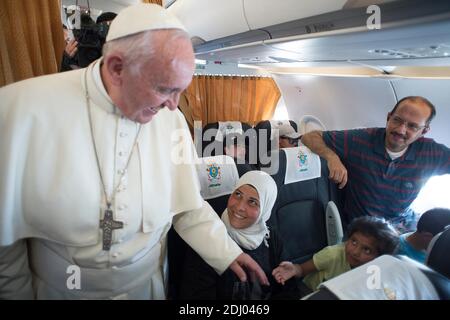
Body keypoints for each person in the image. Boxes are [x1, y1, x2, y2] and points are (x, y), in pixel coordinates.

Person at [0, 4, 269, 300]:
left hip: (147, 290)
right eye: (164, 89)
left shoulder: (171, 120)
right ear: (117, 68)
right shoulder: (21, 111)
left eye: (180, 90)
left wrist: (226, 252)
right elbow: (5, 245)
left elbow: (188, 204)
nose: (172, 104)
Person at [301, 96, 450, 232]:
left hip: (402, 227)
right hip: (362, 230)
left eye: (412, 126)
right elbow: (310, 137)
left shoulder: (430, 153)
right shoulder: (361, 140)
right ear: (388, 117)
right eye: (397, 120)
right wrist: (331, 157)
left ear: (424, 131)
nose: (401, 130)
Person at [179, 171, 300, 300]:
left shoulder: (270, 238)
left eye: (253, 202)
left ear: (265, 210)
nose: (239, 207)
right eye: (237, 194)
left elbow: (289, 290)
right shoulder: (208, 240)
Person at [272, 216, 399, 294]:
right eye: (354, 242)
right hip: (311, 291)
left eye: (367, 250)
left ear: (379, 258)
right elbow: (302, 269)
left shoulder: (375, 271)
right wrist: (294, 269)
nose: (355, 252)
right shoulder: (332, 254)